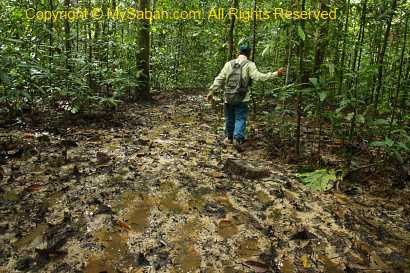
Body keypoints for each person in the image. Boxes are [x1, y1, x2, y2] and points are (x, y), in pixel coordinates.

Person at [206, 44, 286, 147]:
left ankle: (229, 138)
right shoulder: (249, 64)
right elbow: (259, 77)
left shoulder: (228, 64)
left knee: (229, 118)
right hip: (242, 97)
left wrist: (211, 91)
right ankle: (238, 138)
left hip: (228, 96)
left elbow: (219, 79)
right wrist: (276, 74)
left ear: (238, 52)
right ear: (249, 53)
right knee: (240, 118)